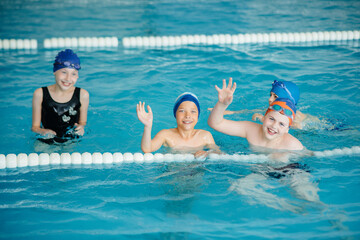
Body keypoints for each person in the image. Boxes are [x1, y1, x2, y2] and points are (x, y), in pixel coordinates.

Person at [208, 78, 303, 151]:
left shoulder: (292, 145)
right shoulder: (251, 129)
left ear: (287, 129)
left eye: (281, 124)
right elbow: (215, 124)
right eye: (271, 119)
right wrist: (222, 105)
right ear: (265, 117)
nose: (270, 99)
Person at [32, 49, 89, 143]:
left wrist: (81, 127)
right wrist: (42, 131)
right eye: (64, 72)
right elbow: (35, 127)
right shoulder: (40, 93)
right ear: (54, 71)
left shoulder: (83, 94)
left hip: (71, 139)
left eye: (73, 74)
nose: (68, 78)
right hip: (46, 138)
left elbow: (82, 122)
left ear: (78, 76)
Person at [136, 92, 218, 156]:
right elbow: (147, 149)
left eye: (193, 111)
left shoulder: (205, 136)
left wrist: (207, 153)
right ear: (175, 114)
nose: (188, 116)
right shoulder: (166, 135)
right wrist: (147, 126)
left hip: (196, 173)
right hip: (173, 172)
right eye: (182, 111)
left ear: (198, 116)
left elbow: (219, 153)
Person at [209, 80, 313, 129]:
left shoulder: (297, 117)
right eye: (270, 95)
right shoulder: (272, 110)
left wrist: (263, 119)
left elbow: (297, 127)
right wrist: (226, 111)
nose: (270, 99)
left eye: (275, 97)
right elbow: (251, 111)